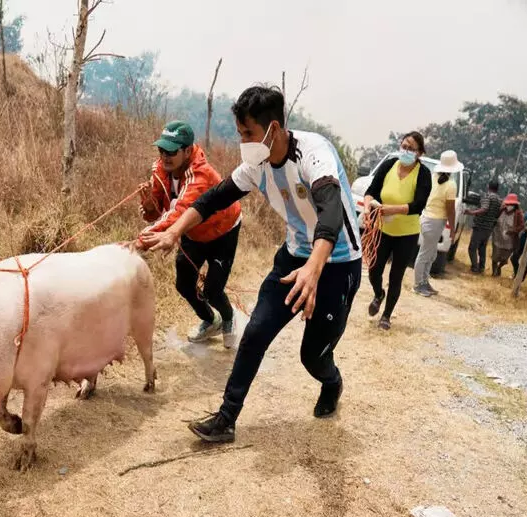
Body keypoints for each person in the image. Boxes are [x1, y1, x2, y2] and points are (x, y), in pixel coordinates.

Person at [139, 85, 362, 443]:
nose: (243, 140)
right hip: (294, 257)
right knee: (256, 331)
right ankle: (226, 419)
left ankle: (331, 382)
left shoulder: (313, 153)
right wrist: (173, 233)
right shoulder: (257, 164)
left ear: (273, 129)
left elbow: (331, 212)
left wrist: (314, 269)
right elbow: (214, 198)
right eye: (240, 133)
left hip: (336, 264)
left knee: (313, 355)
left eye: (248, 133)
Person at [137, 121, 242, 347]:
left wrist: (138, 242)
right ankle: (209, 320)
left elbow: (180, 211)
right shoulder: (159, 171)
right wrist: (148, 207)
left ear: (187, 151)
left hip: (223, 231)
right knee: (184, 284)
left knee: (213, 291)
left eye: (171, 151)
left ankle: (229, 316)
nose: (165, 156)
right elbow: (158, 212)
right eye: (161, 150)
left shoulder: (201, 175)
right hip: (191, 232)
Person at [363, 132, 432, 330]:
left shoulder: (423, 174)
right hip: (382, 229)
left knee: (396, 275)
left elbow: (419, 204)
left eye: (411, 148)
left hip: (406, 234)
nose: (406, 151)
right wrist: (369, 208)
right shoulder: (389, 165)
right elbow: (371, 191)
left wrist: (392, 209)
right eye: (404, 146)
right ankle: (378, 294)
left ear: (419, 153)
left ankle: (386, 315)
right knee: (374, 269)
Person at [413, 150, 463, 296]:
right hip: (434, 222)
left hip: (428, 219)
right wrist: (453, 229)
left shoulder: (433, 177)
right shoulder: (451, 185)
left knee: (431, 254)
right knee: (425, 254)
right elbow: (450, 211)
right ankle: (418, 285)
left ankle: (424, 282)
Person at [465, 181, 503, 274]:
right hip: (489, 228)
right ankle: (481, 267)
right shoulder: (499, 200)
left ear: (488, 186)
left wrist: (471, 212)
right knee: (482, 248)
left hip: (480, 226)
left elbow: (484, 208)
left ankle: (475, 267)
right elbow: (498, 213)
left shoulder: (487, 197)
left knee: (472, 248)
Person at [492, 194, 525, 277]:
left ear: (515, 205)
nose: (509, 206)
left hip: (510, 240)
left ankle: (499, 267)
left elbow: (521, 226)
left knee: (504, 258)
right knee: (495, 256)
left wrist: (512, 231)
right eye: (508, 204)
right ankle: (494, 273)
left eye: (511, 204)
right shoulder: (502, 210)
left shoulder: (518, 213)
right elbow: (495, 218)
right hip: (498, 236)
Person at [512, 209, 527, 279]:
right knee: (513, 258)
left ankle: (521, 277)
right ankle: (517, 273)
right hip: (523, 238)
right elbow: (522, 224)